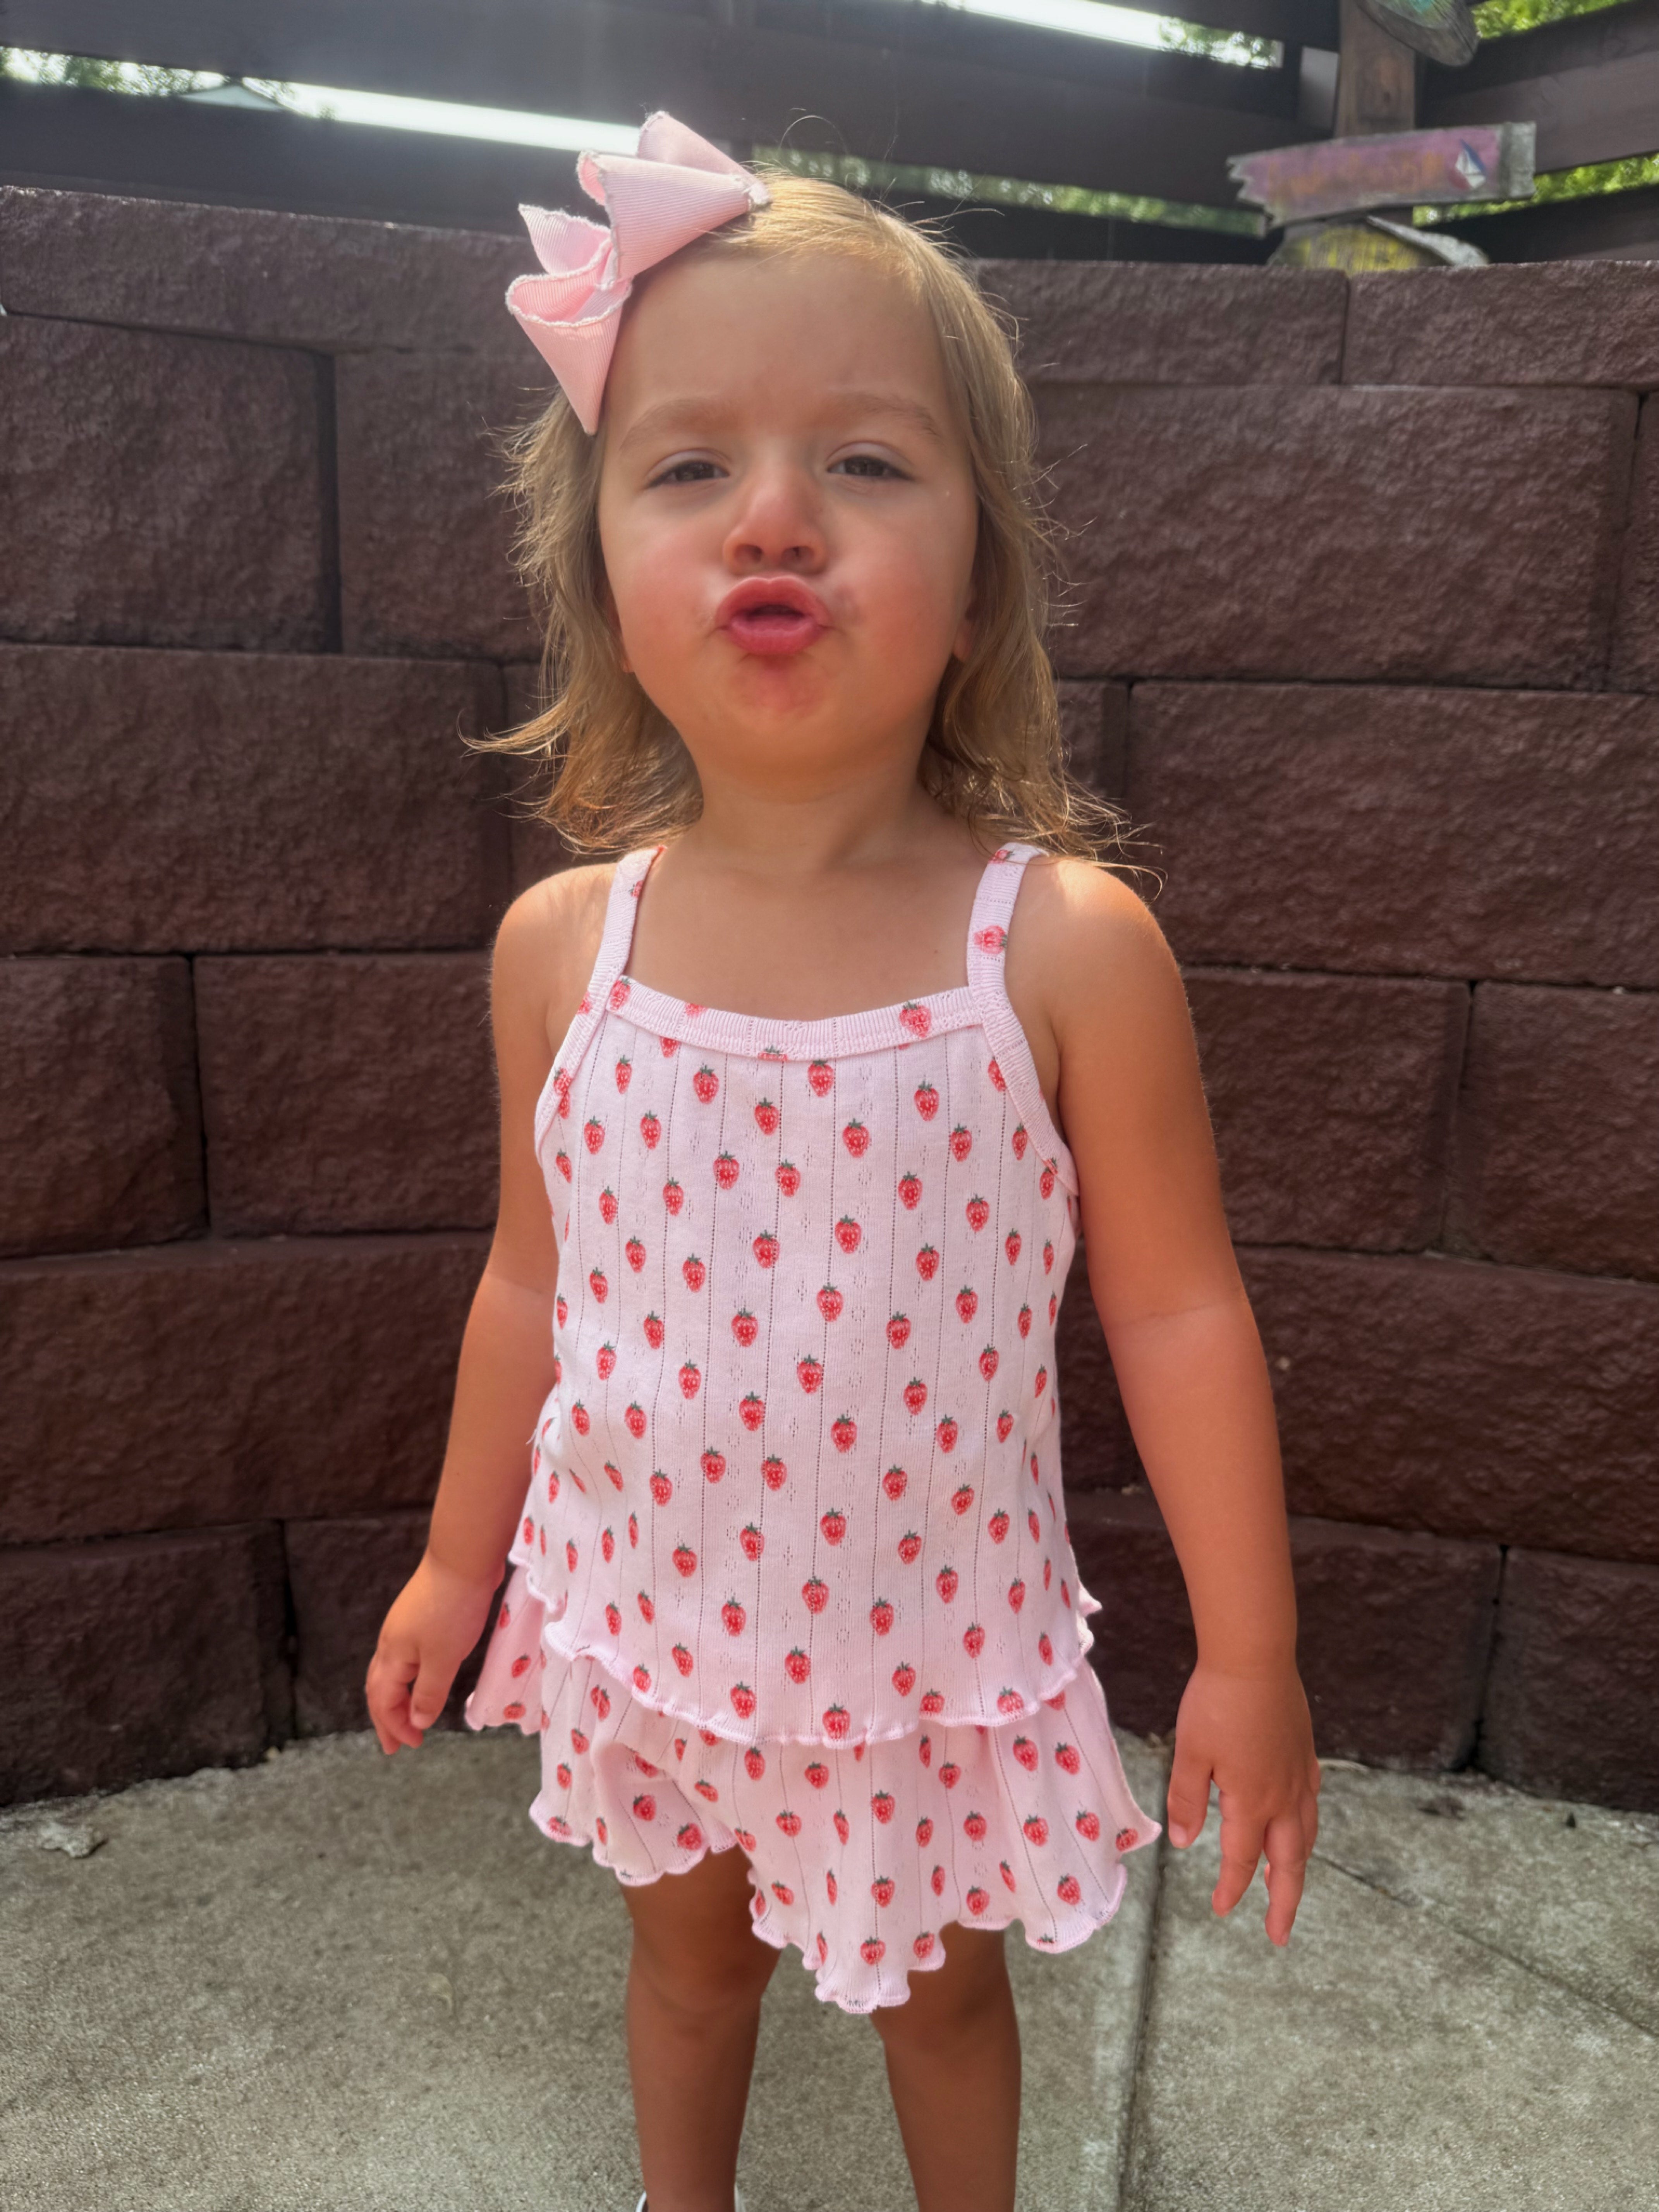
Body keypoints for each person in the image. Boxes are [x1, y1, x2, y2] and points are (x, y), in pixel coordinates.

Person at [365, 112, 1320, 2212]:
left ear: (978, 584)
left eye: (867, 463)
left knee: (943, 2004)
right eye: (689, 463)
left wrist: (1246, 1651)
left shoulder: (1059, 949)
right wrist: (460, 1559)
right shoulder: (563, 953)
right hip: (648, 1616)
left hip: (920, 1652)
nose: (776, 513)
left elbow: (1174, 1304)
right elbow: (533, 1286)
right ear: (602, 574)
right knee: (686, 1974)